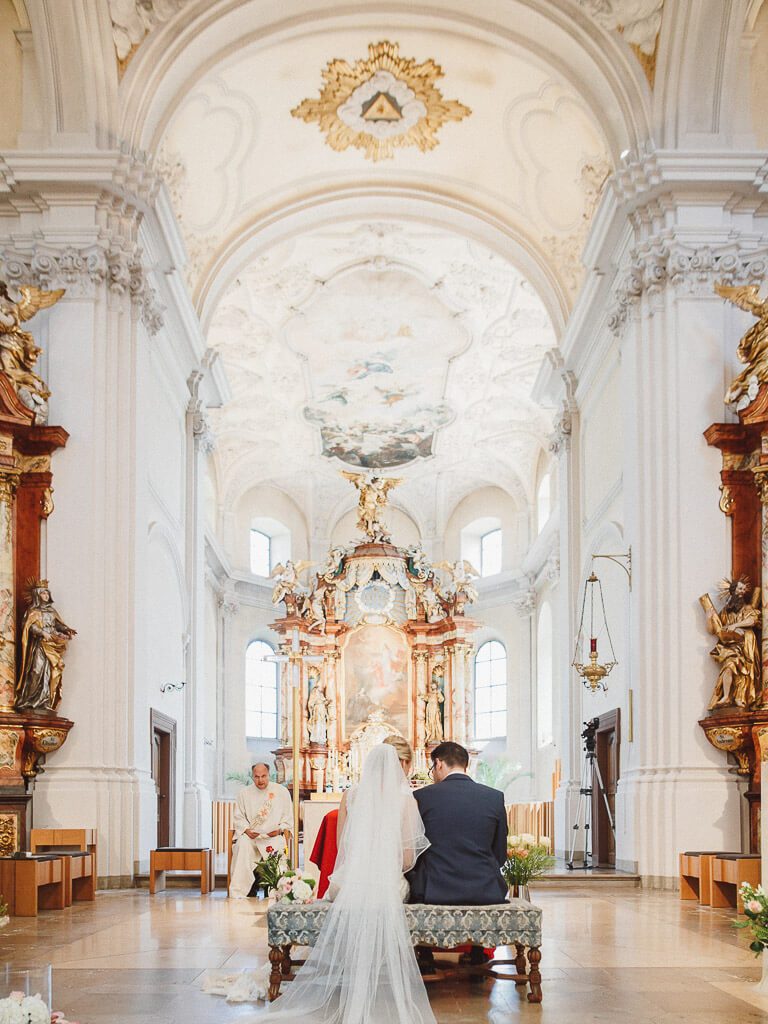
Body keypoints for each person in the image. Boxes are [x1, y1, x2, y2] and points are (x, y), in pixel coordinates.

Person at [258, 739, 435, 1024]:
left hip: (347, 882)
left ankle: (351, 969)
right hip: (386, 883)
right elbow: (406, 860)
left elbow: (342, 848)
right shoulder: (406, 800)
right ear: (400, 765)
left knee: (356, 893)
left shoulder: (351, 795)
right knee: (390, 891)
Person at [406, 740, 507, 906]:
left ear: (438, 763)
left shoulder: (421, 797)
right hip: (485, 890)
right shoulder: (494, 797)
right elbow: (500, 854)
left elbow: (415, 850)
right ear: (465, 765)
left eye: (432, 769)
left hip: (433, 890)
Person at [229, 763, 292, 900]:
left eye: (264, 776)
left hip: (273, 836)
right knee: (242, 845)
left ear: (269, 775)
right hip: (251, 837)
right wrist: (246, 830)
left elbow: (288, 818)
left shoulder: (281, 792)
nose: (260, 780)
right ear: (252, 776)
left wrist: (279, 830)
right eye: (257, 777)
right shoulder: (244, 793)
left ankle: (276, 891)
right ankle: (239, 891)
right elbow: (239, 817)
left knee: (278, 847)